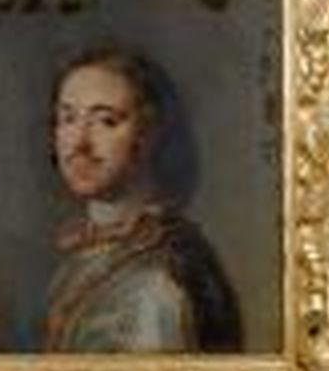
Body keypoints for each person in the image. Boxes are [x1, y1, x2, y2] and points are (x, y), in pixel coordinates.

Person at [44, 44, 242, 353]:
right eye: (68, 118)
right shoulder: (85, 256)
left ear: (148, 134)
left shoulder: (160, 281)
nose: (79, 143)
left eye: (106, 121)